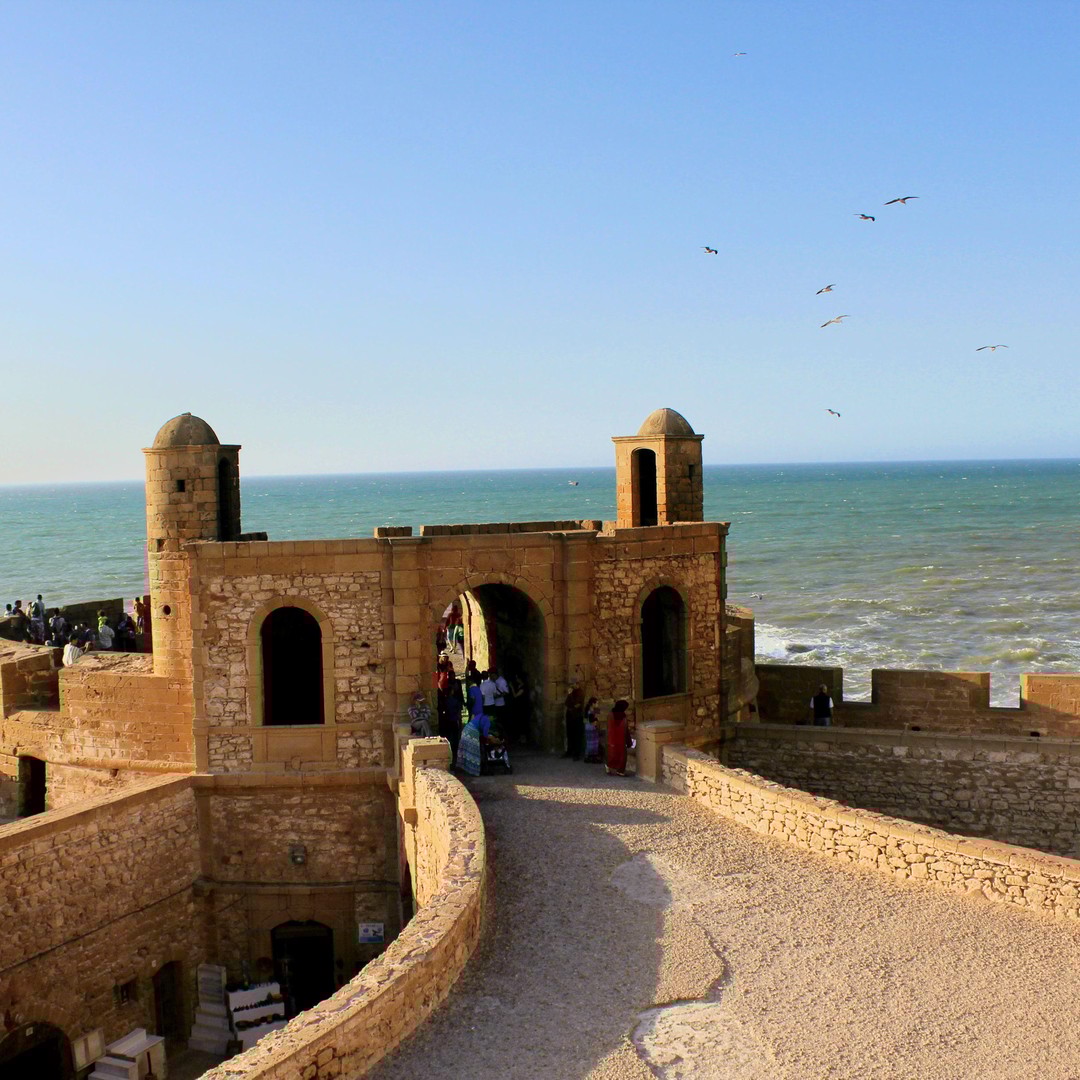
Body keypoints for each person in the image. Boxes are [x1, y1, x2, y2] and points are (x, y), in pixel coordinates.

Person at [606, 699, 633, 777]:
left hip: (615, 739)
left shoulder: (613, 715)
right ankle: (614, 768)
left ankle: (617, 770)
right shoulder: (618, 716)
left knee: (618, 755)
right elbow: (625, 730)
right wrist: (629, 741)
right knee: (616, 755)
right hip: (616, 739)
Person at [564, 685, 585, 760]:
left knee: (577, 735)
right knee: (570, 734)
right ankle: (569, 751)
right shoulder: (572, 692)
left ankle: (577, 754)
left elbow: (576, 704)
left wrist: (570, 695)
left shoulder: (580, 693)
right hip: (570, 716)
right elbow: (566, 703)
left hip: (577, 717)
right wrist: (569, 695)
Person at [583, 697, 602, 763]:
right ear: (593, 704)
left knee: (589, 743)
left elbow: (585, 721)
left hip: (588, 728)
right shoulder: (591, 712)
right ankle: (592, 758)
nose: (597, 705)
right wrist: (596, 720)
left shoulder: (588, 710)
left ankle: (588, 757)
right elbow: (593, 722)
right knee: (593, 743)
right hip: (591, 729)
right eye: (596, 703)